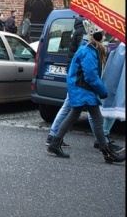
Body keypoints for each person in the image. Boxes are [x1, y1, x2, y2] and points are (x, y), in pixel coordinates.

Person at [46, 22, 124, 163]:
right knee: (96, 119)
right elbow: (91, 76)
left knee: (74, 116)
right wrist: (103, 91)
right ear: (97, 35)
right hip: (83, 89)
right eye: (103, 33)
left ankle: (55, 143)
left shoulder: (89, 48)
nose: (105, 35)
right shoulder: (88, 51)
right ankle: (106, 152)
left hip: (81, 88)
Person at [45, 14, 87, 147]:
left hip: (75, 75)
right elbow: (82, 55)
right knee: (71, 106)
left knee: (75, 107)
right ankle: (53, 136)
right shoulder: (82, 32)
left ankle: (53, 136)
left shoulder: (78, 30)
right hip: (78, 76)